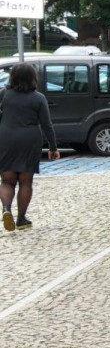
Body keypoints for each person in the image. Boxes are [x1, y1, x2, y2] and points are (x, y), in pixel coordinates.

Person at [0, 63, 60, 231]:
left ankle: (6, 209)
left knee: (7, 180)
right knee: (26, 182)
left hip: (5, 138)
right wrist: (53, 147)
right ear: (33, 78)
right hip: (30, 140)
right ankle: (21, 219)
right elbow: (47, 125)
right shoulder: (38, 98)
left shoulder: (4, 94)